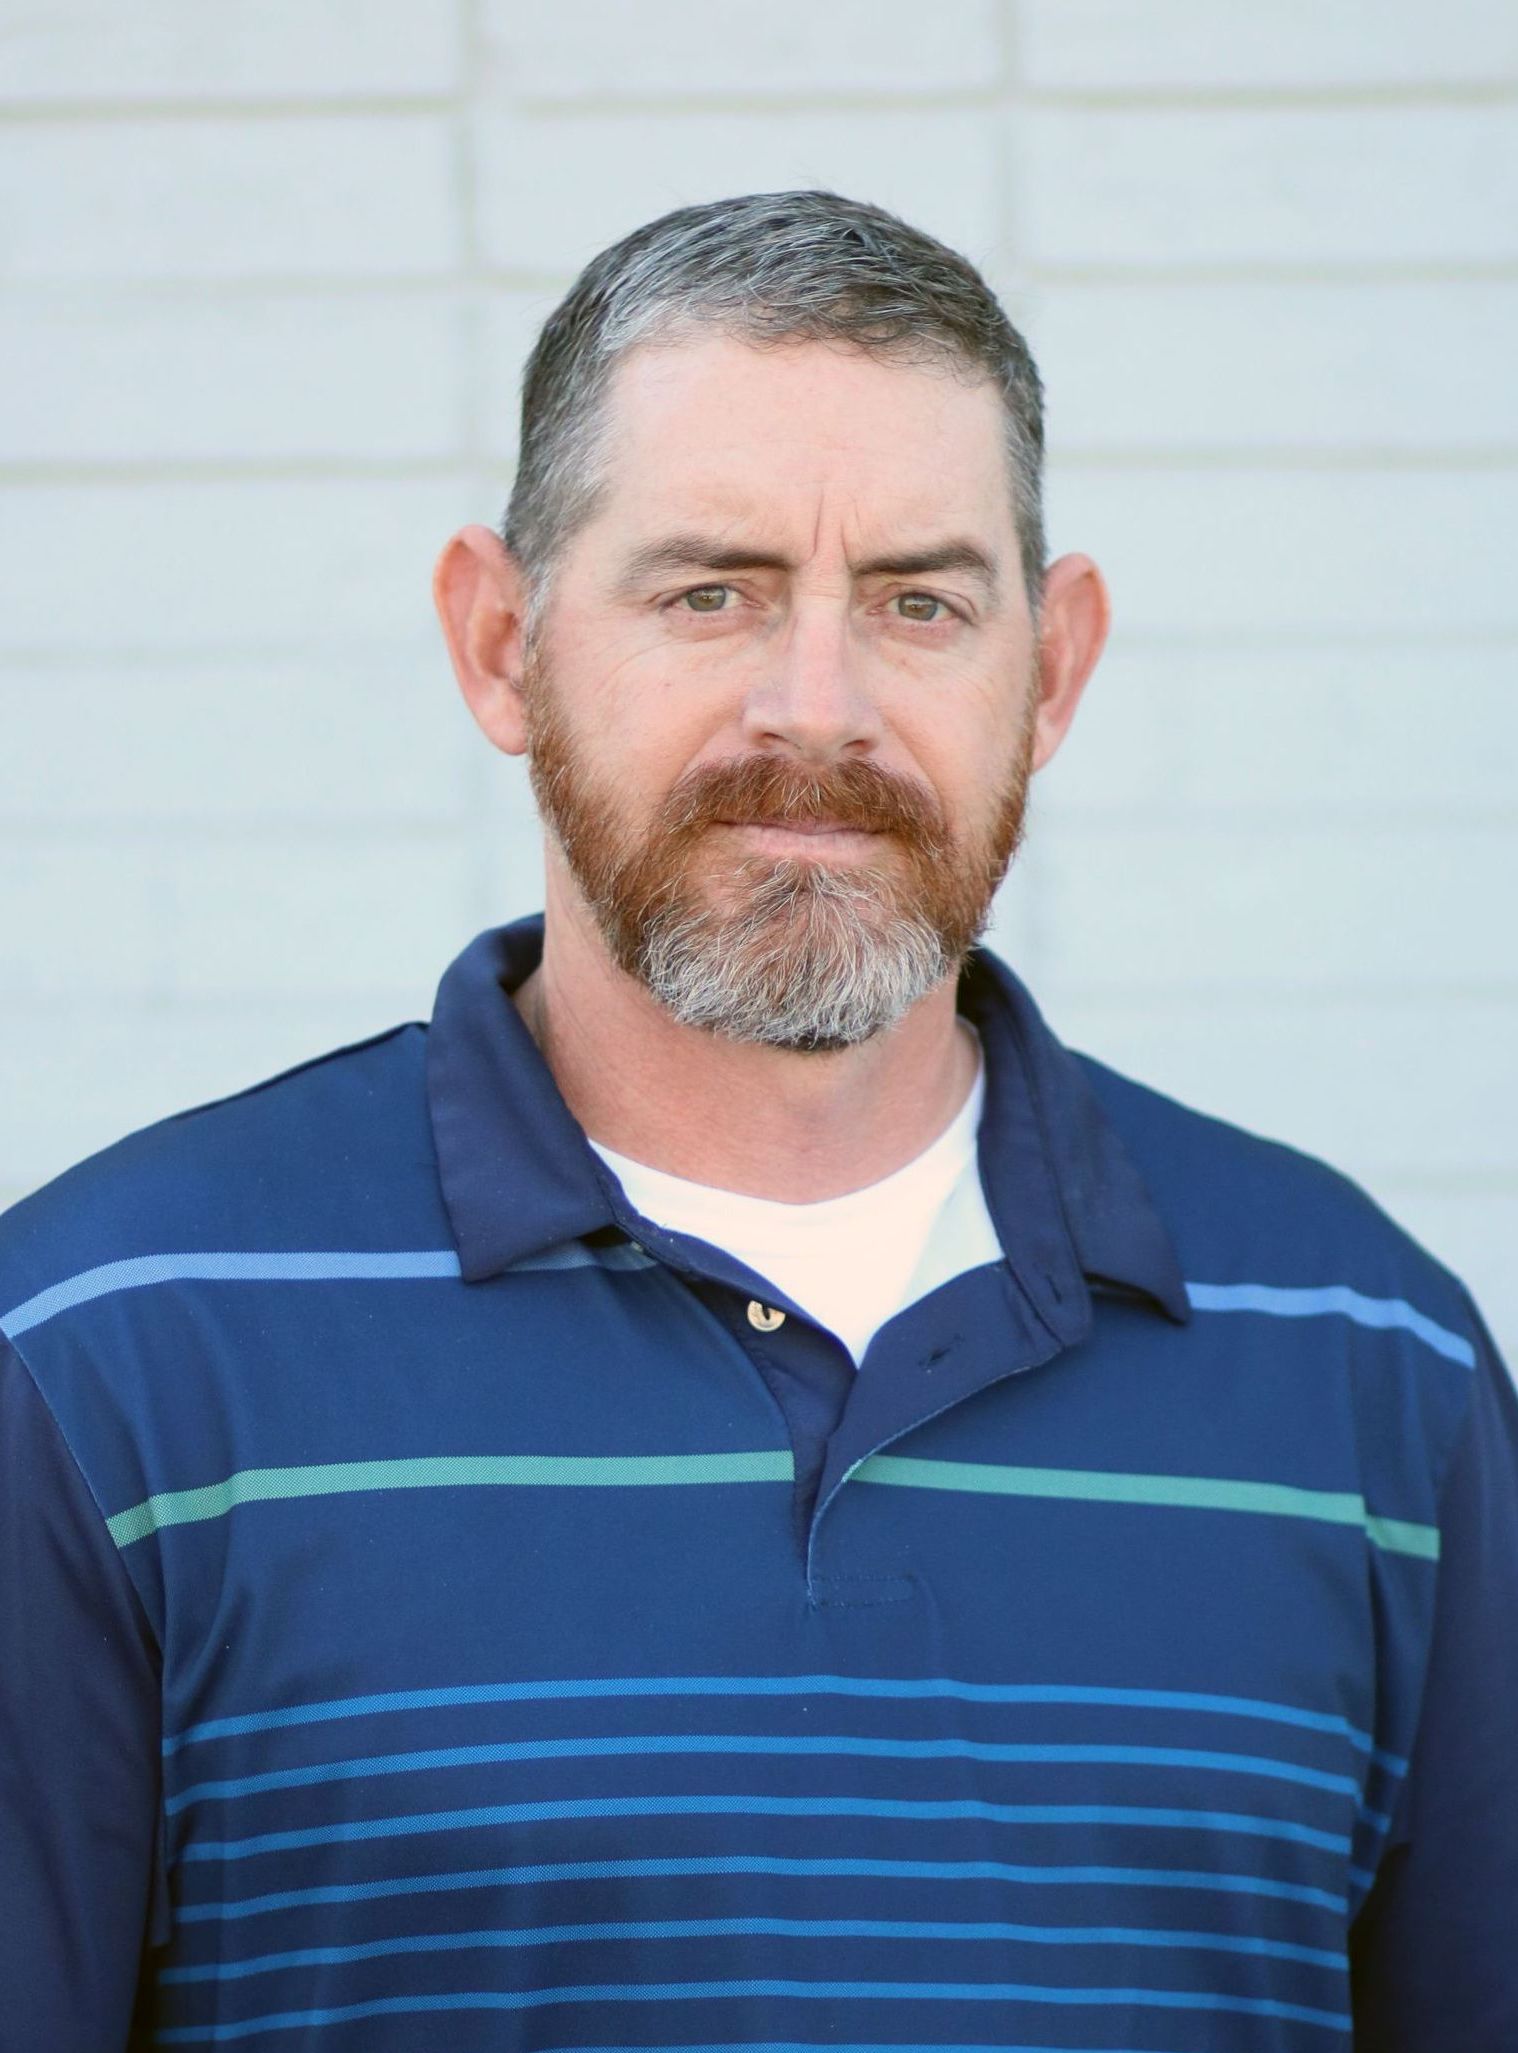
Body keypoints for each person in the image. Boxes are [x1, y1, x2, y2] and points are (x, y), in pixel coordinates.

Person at [0, 189, 1513, 2053]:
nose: (819, 709)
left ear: (1050, 667)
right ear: (499, 643)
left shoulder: (1371, 1363)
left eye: (918, 601)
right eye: (709, 589)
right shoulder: (104, 1359)